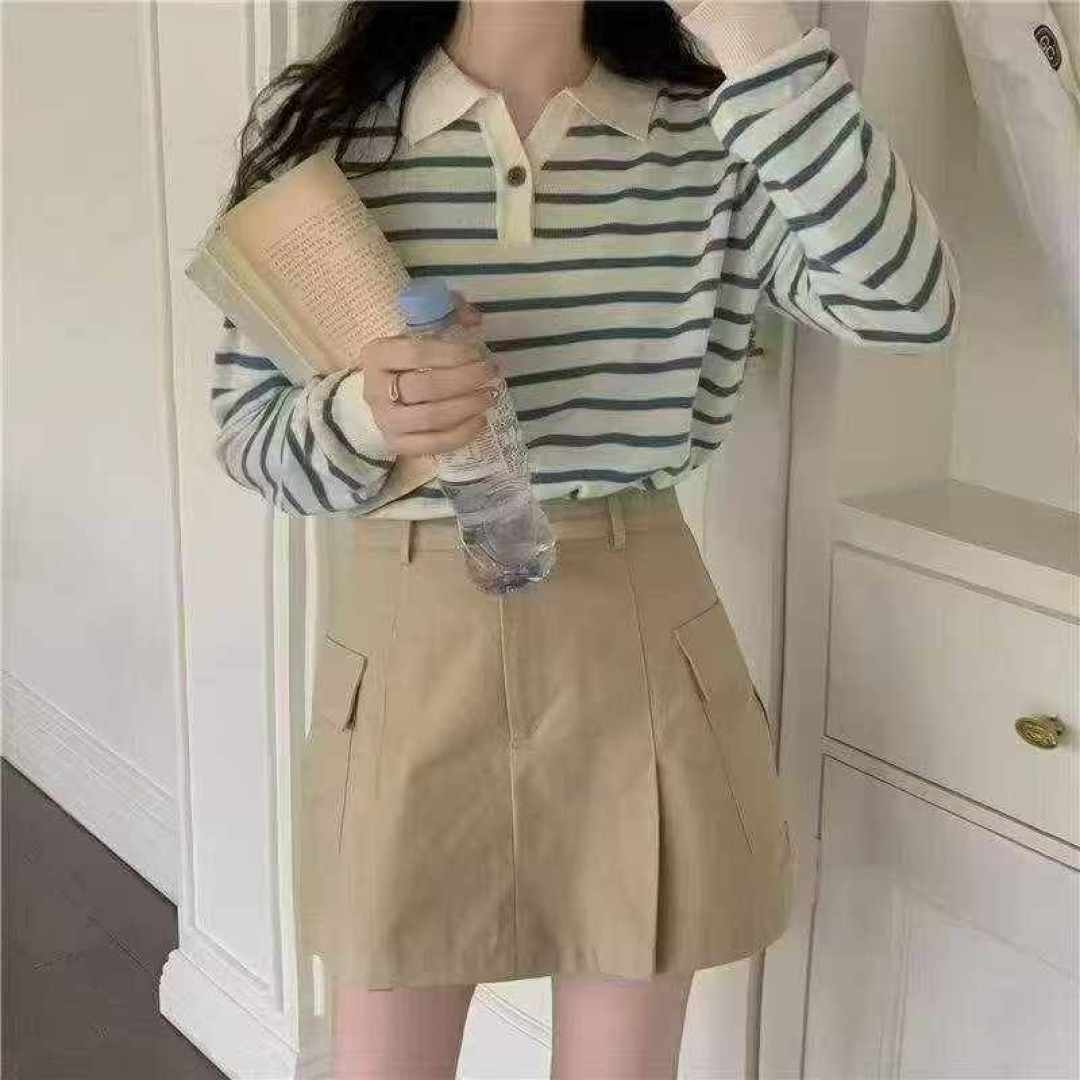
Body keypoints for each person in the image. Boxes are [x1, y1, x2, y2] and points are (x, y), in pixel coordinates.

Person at [210, 2, 959, 1076]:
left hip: (637, 636)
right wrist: (368, 417)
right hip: (412, 641)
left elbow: (910, 305)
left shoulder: (716, 129)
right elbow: (253, 439)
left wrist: (750, 33)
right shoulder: (329, 127)